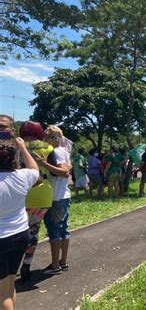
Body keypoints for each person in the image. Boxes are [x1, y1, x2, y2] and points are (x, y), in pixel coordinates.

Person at [0, 137, 40, 310]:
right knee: (10, 284)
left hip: (1, 238)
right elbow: (35, 168)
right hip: (20, 234)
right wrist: (23, 148)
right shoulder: (23, 176)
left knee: (1, 292)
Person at [18, 121, 54, 281]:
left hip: (20, 193)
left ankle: (10, 264)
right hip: (43, 194)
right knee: (33, 230)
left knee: (14, 231)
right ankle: (26, 265)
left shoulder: (15, 146)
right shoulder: (48, 148)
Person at [40, 126, 72, 275]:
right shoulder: (65, 151)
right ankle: (63, 262)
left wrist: (43, 164)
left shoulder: (56, 152)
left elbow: (64, 173)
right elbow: (68, 168)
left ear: (52, 138)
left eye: (46, 136)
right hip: (63, 196)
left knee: (54, 232)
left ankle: (55, 266)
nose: (43, 140)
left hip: (56, 197)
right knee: (63, 230)